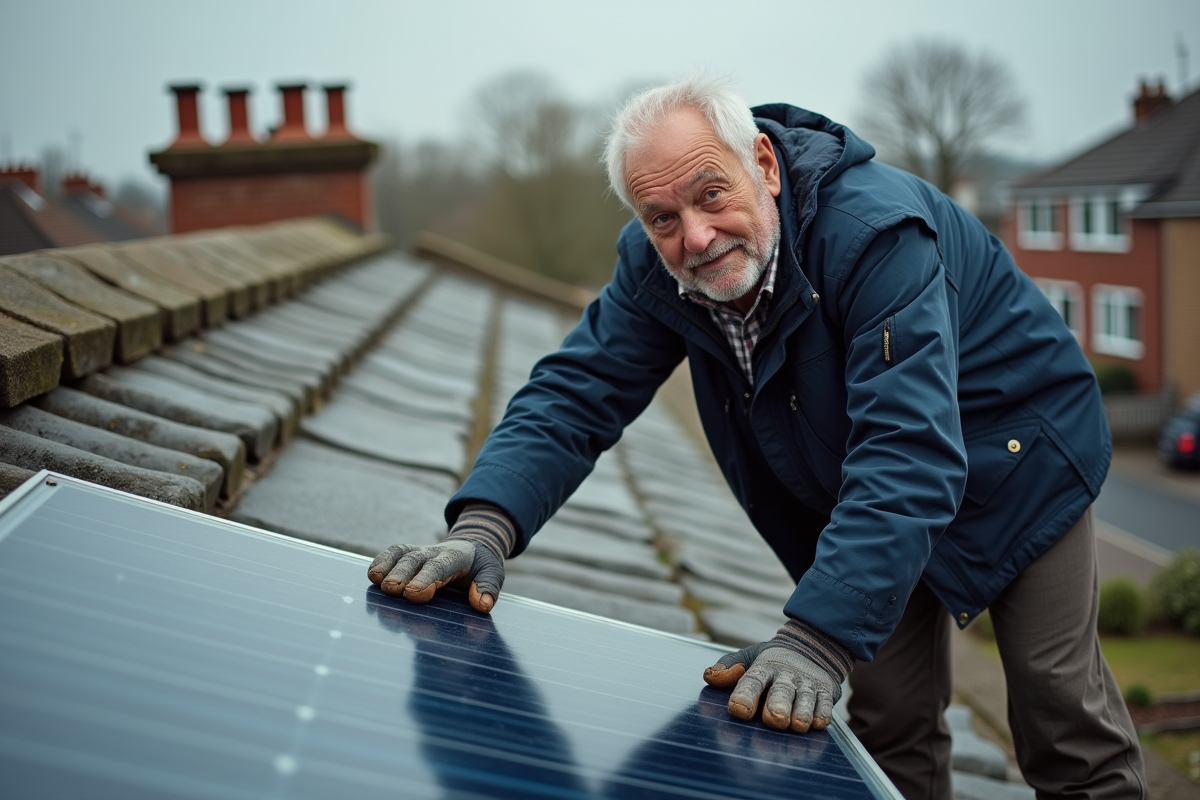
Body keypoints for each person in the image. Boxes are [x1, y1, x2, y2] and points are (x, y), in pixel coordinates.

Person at [368, 76, 1146, 799]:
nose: (697, 237)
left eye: (711, 194)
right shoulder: (656, 269)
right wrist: (485, 524)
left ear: (764, 166)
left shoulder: (875, 236)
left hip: (1018, 462)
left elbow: (909, 447)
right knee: (888, 727)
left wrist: (816, 639)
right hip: (867, 488)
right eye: (662, 218)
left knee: (1058, 714)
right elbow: (575, 394)